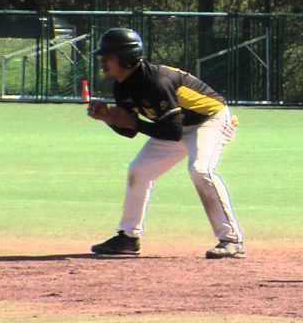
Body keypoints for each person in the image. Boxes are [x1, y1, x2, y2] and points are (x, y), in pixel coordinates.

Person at [87, 28, 245, 259]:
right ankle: (128, 238)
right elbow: (131, 131)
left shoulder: (157, 81)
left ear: (127, 57)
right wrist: (109, 118)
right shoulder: (122, 84)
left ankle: (231, 239)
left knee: (200, 170)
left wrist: (132, 123)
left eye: (108, 56)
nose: (102, 61)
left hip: (210, 120)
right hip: (177, 126)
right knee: (139, 171)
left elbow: (170, 131)